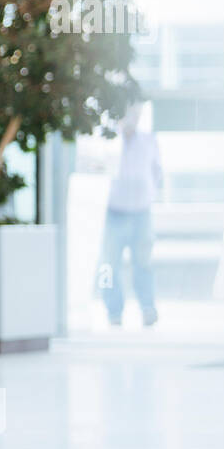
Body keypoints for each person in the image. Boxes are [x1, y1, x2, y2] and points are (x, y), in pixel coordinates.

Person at [101, 102, 163, 326]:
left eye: (137, 113)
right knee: (109, 264)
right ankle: (114, 312)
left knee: (144, 263)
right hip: (114, 212)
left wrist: (149, 194)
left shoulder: (148, 140)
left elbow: (157, 171)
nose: (133, 117)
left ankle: (148, 309)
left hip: (141, 213)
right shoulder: (109, 139)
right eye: (129, 113)